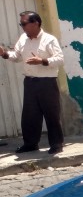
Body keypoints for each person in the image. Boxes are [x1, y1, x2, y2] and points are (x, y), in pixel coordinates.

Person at [0, 11, 65, 154]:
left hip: (47, 83)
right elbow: (16, 56)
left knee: (51, 114)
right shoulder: (23, 38)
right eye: (21, 24)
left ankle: (56, 144)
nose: (22, 27)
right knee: (30, 115)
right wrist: (4, 54)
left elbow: (60, 59)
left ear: (36, 23)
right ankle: (30, 144)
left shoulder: (49, 40)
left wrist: (42, 61)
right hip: (30, 82)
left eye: (24, 24)